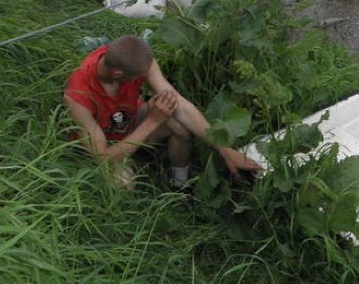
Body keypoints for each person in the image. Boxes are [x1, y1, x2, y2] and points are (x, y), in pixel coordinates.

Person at [64, 35, 261, 189]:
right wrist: (152, 121)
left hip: (131, 120)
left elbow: (181, 106)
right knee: (121, 185)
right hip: (105, 145)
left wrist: (225, 151)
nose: (144, 78)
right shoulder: (78, 95)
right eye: (139, 78)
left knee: (179, 126)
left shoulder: (135, 60)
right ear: (118, 75)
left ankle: (180, 184)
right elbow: (103, 158)